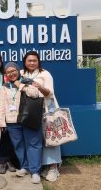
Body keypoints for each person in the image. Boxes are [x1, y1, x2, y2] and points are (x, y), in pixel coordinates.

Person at [0, 62, 42, 184]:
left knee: (33, 144)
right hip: (12, 121)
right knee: (19, 145)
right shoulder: (4, 86)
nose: (11, 74)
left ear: (18, 70)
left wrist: (21, 85)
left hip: (28, 119)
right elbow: (2, 105)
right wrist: (2, 122)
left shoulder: (27, 81)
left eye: (13, 71)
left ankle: (35, 172)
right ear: (6, 74)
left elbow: (35, 94)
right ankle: (25, 167)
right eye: (8, 72)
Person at [21, 51, 61, 182]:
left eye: (34, 60)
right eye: (29, 60)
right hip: (31, 111)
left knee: (51, 138)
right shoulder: (22, 73)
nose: (31, 63)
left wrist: (40, 87)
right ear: (25, 62)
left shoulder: (45, 74)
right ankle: (44, 166)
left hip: (46, 109)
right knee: (38, 139)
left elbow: (50, 93)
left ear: (38, 62)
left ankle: (54, 167)